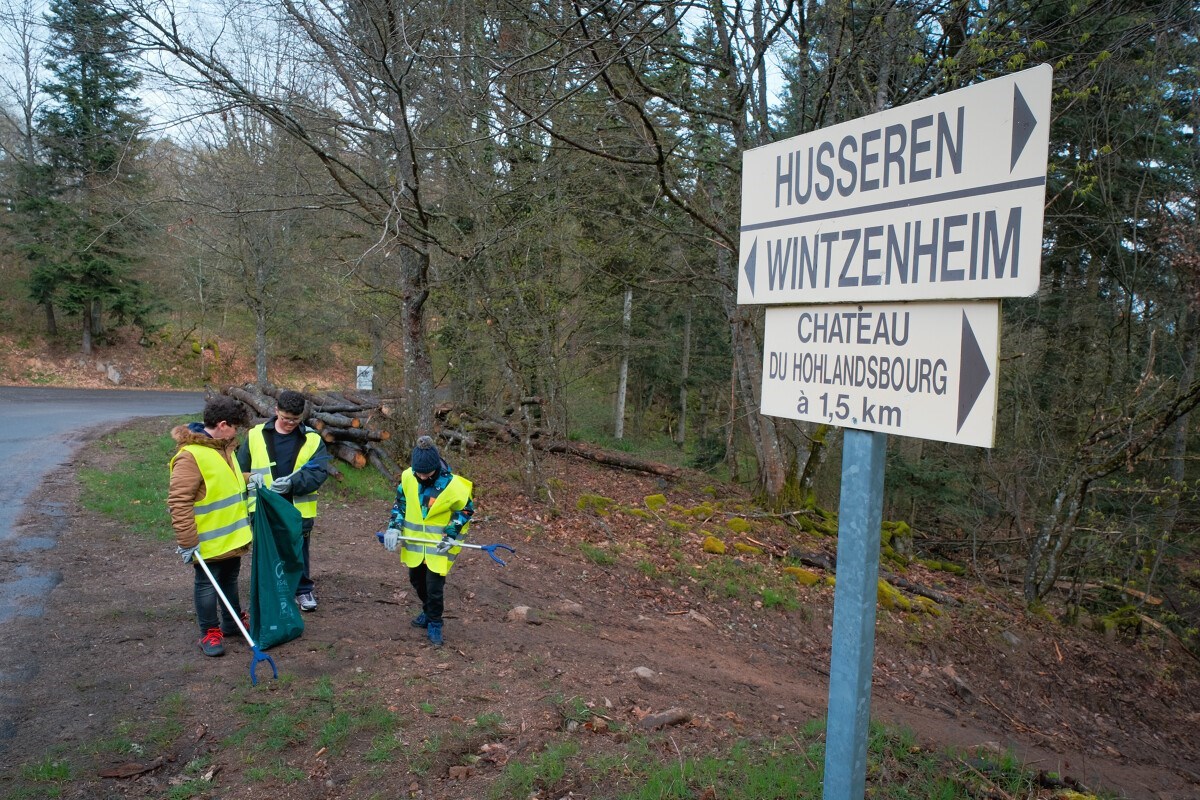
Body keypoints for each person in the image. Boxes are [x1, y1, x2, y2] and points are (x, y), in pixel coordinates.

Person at [168, 395, 253, 657]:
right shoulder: (190, 456)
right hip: (207, 540)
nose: (237, 432)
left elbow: (223, 481)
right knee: (207, 585)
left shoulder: (223, 447)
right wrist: (187, 542)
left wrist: (249, 478)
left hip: (232, 537)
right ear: (223, 425)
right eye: (235, 427)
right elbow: (179, 501)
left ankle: (232, 621)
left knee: (229, 579)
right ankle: (210, 632)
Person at [237, 389, 330, 612]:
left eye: (295, 420)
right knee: (267, 550)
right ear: (276, 410)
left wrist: (293, 484)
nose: (290, 423)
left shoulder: (312, 440)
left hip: (297, 508)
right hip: (263, 506)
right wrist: (251, 479)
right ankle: (270, 591)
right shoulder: (256, 435)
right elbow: (239, 471)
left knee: (298, 550)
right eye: (285, 418)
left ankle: (302, 590)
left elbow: (318, 472)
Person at [381, 435, 474, 647]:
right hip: (415, 545)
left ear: (436, 467)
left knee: (434, 588)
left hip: (438, 546)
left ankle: (435, 622)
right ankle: (428, 610)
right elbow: (401, 503)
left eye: (427, 473)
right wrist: (393, 527)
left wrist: (451, 534)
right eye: (419, 473)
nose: (422, 477)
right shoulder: (408, 476)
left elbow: (466, 510)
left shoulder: (453, 485)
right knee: (416, 581)